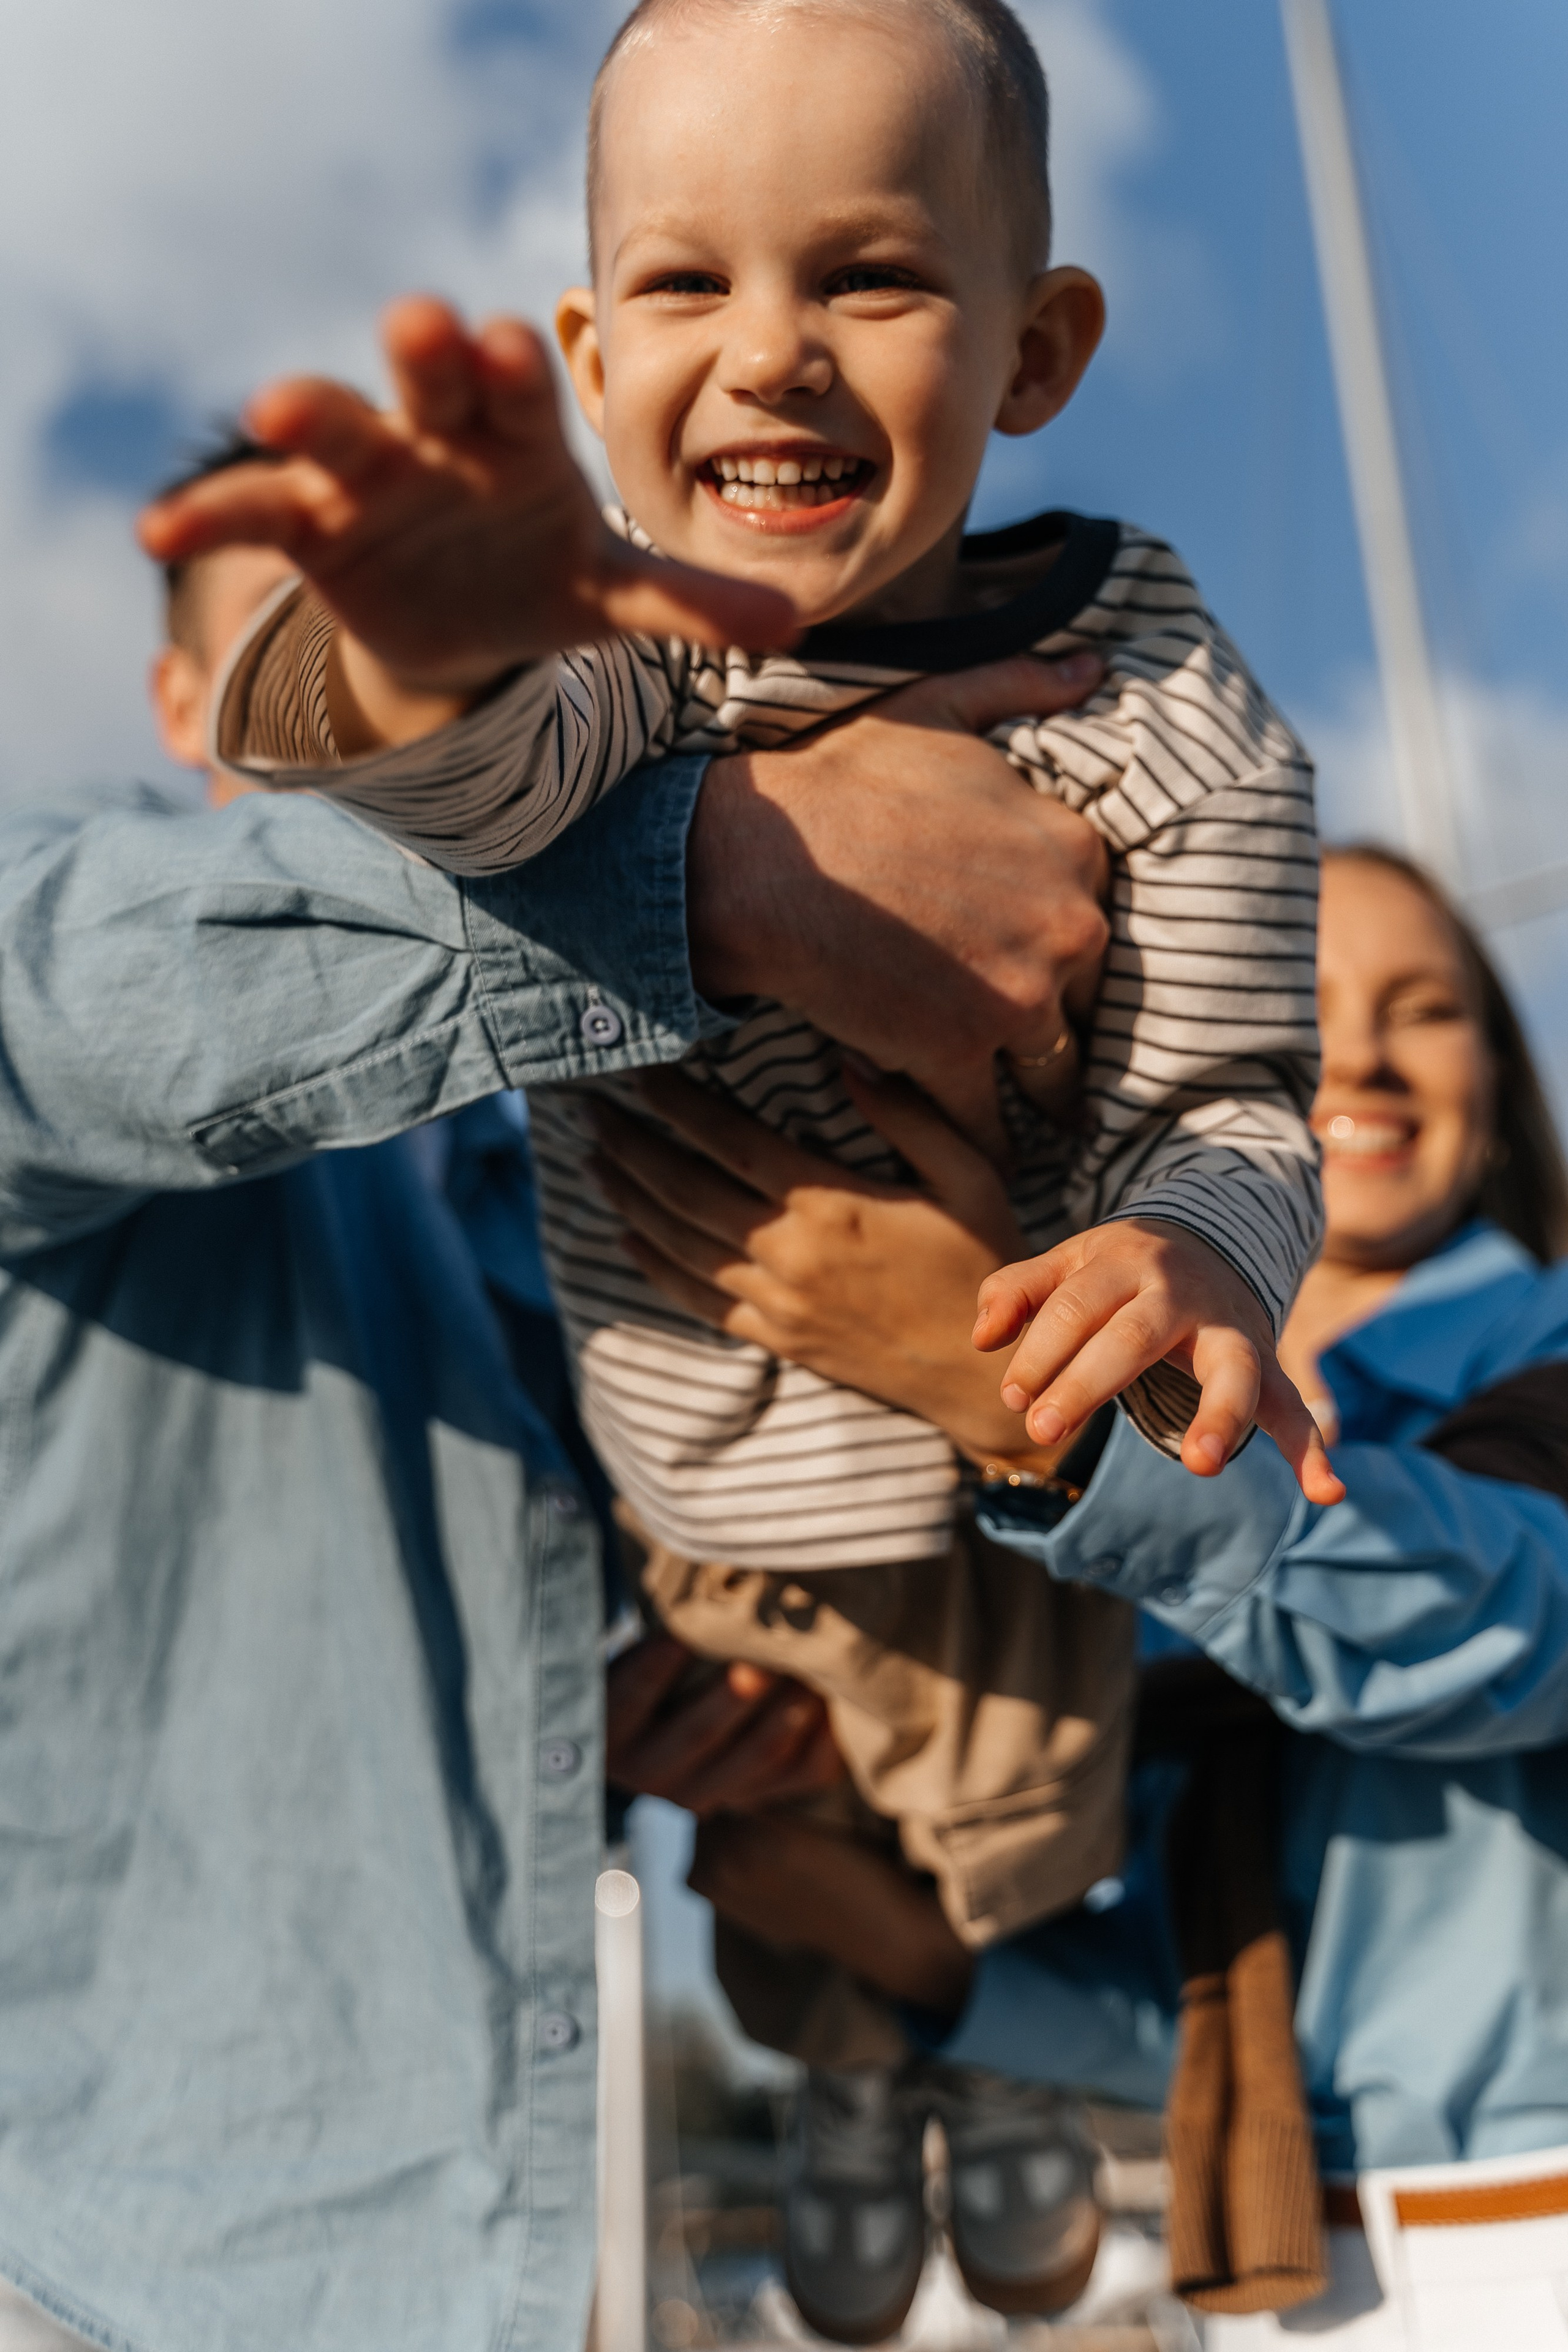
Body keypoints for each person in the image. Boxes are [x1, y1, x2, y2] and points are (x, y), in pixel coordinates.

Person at [141, 7, 1338, 2318]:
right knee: (770, 1854)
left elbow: (1231, 1097)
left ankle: (978, 2070)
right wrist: (420, 648)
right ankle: (851, 2088)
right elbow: (448, 789)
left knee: (1013, 1838)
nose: (771, 355)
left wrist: (1195, 1244)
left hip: (997, 1509)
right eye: (688, 287)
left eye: (871, 276)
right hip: (703, 1518)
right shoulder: (612, 658)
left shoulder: (1159, 696)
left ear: (1037, 348)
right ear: (592, 355)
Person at [0, 436, 1107, 2349]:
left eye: (443, 633)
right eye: (308, 634)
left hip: (505, 2252)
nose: (390, 671)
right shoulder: (70, 923)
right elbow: (71, 985)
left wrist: (610, 1701)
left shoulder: (559, 1155)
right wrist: (731, 861)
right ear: (188, 702)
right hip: (125, 2264)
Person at [601, 843, 1568, 2346]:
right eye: (1298, 1005)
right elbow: (1194, 2009)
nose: (1358, 1052)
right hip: (1270, 2267)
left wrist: (1008, 1394)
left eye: (1422, 1007)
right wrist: (913, 1956)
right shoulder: (1115, 1448)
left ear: (1497, 1068)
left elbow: (1502, 1629)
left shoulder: (1541, 1354)